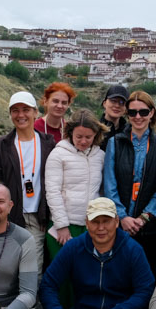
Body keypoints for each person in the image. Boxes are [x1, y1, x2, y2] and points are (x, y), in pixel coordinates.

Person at [0, 91, 55, 262]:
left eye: (26, 109)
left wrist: (46, 213)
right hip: (8, 216)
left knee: (33, 267)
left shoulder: (48, 143)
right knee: (5, 265)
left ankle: (29, 291)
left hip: (37, 217)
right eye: (15, 110)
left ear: (36, 112)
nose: (21, 115)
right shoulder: (0, 146)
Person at [102, 90, 156, 272]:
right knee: (117, 275)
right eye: (132, 112)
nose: (138, 117)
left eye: (143, 112)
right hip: (119, 225)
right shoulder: (115, 143)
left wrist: (144, 218)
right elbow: (110, 184)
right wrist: (122, 217)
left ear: (152, 113)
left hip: (148, 227)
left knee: (145, 276)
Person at [44, 109, 106, 259]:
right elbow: (52, 191)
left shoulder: (101, 156)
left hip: (91, 225)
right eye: (79, 136)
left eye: (88, 137)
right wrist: (62, 226)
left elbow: (102, 191)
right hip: (64, 227)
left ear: (96, 135)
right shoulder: (58, 154)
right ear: (70, 132)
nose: (83, 141)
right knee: (64, 277)